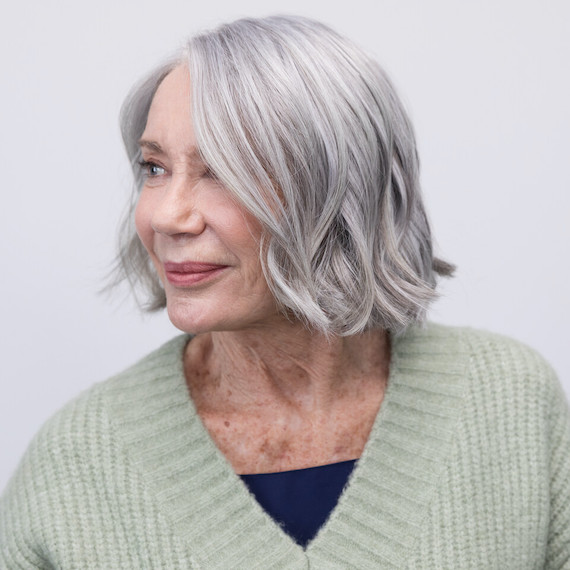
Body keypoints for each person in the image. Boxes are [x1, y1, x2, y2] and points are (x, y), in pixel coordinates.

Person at [1, 15, 569, 569]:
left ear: (341, 188)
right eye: (154, 168)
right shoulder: (79, 459)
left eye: (221, 169)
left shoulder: (511, 402)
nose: (166, 215)